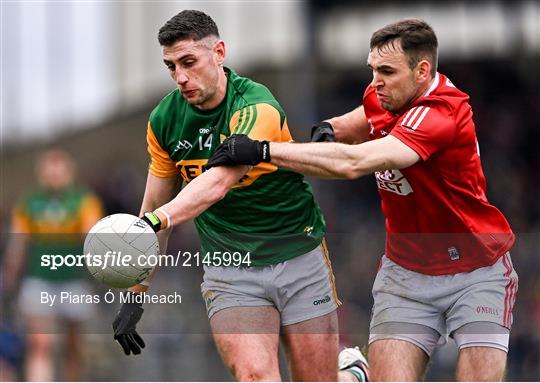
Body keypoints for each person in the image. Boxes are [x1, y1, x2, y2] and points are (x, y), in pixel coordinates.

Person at [206, 19, 519, 381]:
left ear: (422, 71)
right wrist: (332, 128)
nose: (375, 82)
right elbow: (367, 115)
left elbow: (356, 163)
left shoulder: (441, 114)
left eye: (386, 71)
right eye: (372, 70)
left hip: (477, 271)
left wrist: (263, 149)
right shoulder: (385, 94)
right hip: (406, 274)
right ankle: (357, 373)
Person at [110, 10, 368, 382]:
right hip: (230, 269)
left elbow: (215, 184)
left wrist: (157, 219)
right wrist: (136, 293)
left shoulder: (255, 105)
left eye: (189, 62)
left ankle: (351, 374)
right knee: (255, 376)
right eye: (171, 67)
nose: (181, 77)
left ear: (218, 52)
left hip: (297, 255)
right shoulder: (164, 120)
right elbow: (152, 210)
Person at [3, 149, 104, 381]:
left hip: (73, 280)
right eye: (50, 167)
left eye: (60, 168)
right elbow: (19, 242)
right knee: (40, 343)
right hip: (39, 279)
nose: (55, 173)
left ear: (70, 171)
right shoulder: (29, 202)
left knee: (73, 345)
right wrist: (10, 274)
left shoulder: (84, 200)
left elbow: (93, 237)